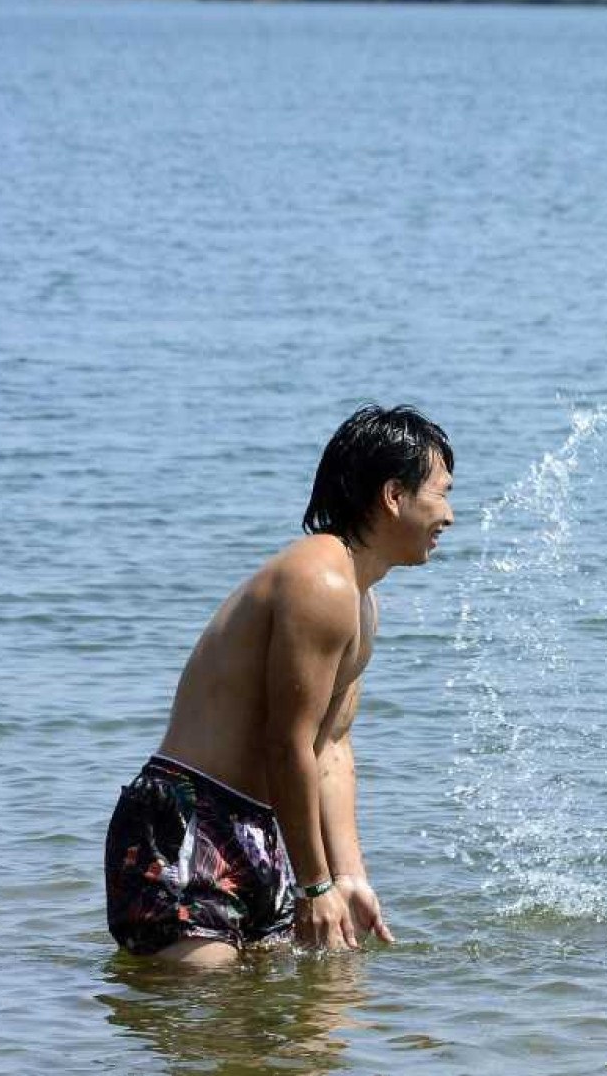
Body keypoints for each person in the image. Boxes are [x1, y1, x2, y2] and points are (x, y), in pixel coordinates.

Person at [104, 405, 455, 966]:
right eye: (441, 493)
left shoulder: (363, 601)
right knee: (203, 1019)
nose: (450, 516)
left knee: (319, 1016)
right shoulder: (320, 580)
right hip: (190, 817)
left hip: (265, 828)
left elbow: (331, 748)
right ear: (394, 495)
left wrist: (347, 877)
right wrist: (314, 887)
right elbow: (285, 742)